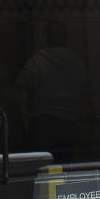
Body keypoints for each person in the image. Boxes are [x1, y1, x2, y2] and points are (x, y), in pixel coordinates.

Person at [14, 21, 89, 162]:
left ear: (45, 37)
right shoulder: (77, 62)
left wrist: (25, 114)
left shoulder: (37, 62)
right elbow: (86, 92)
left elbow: (21, 88)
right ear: (64, 38)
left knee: (45, 169)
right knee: (67, 167)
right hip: (70, 123)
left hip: (44, 124)